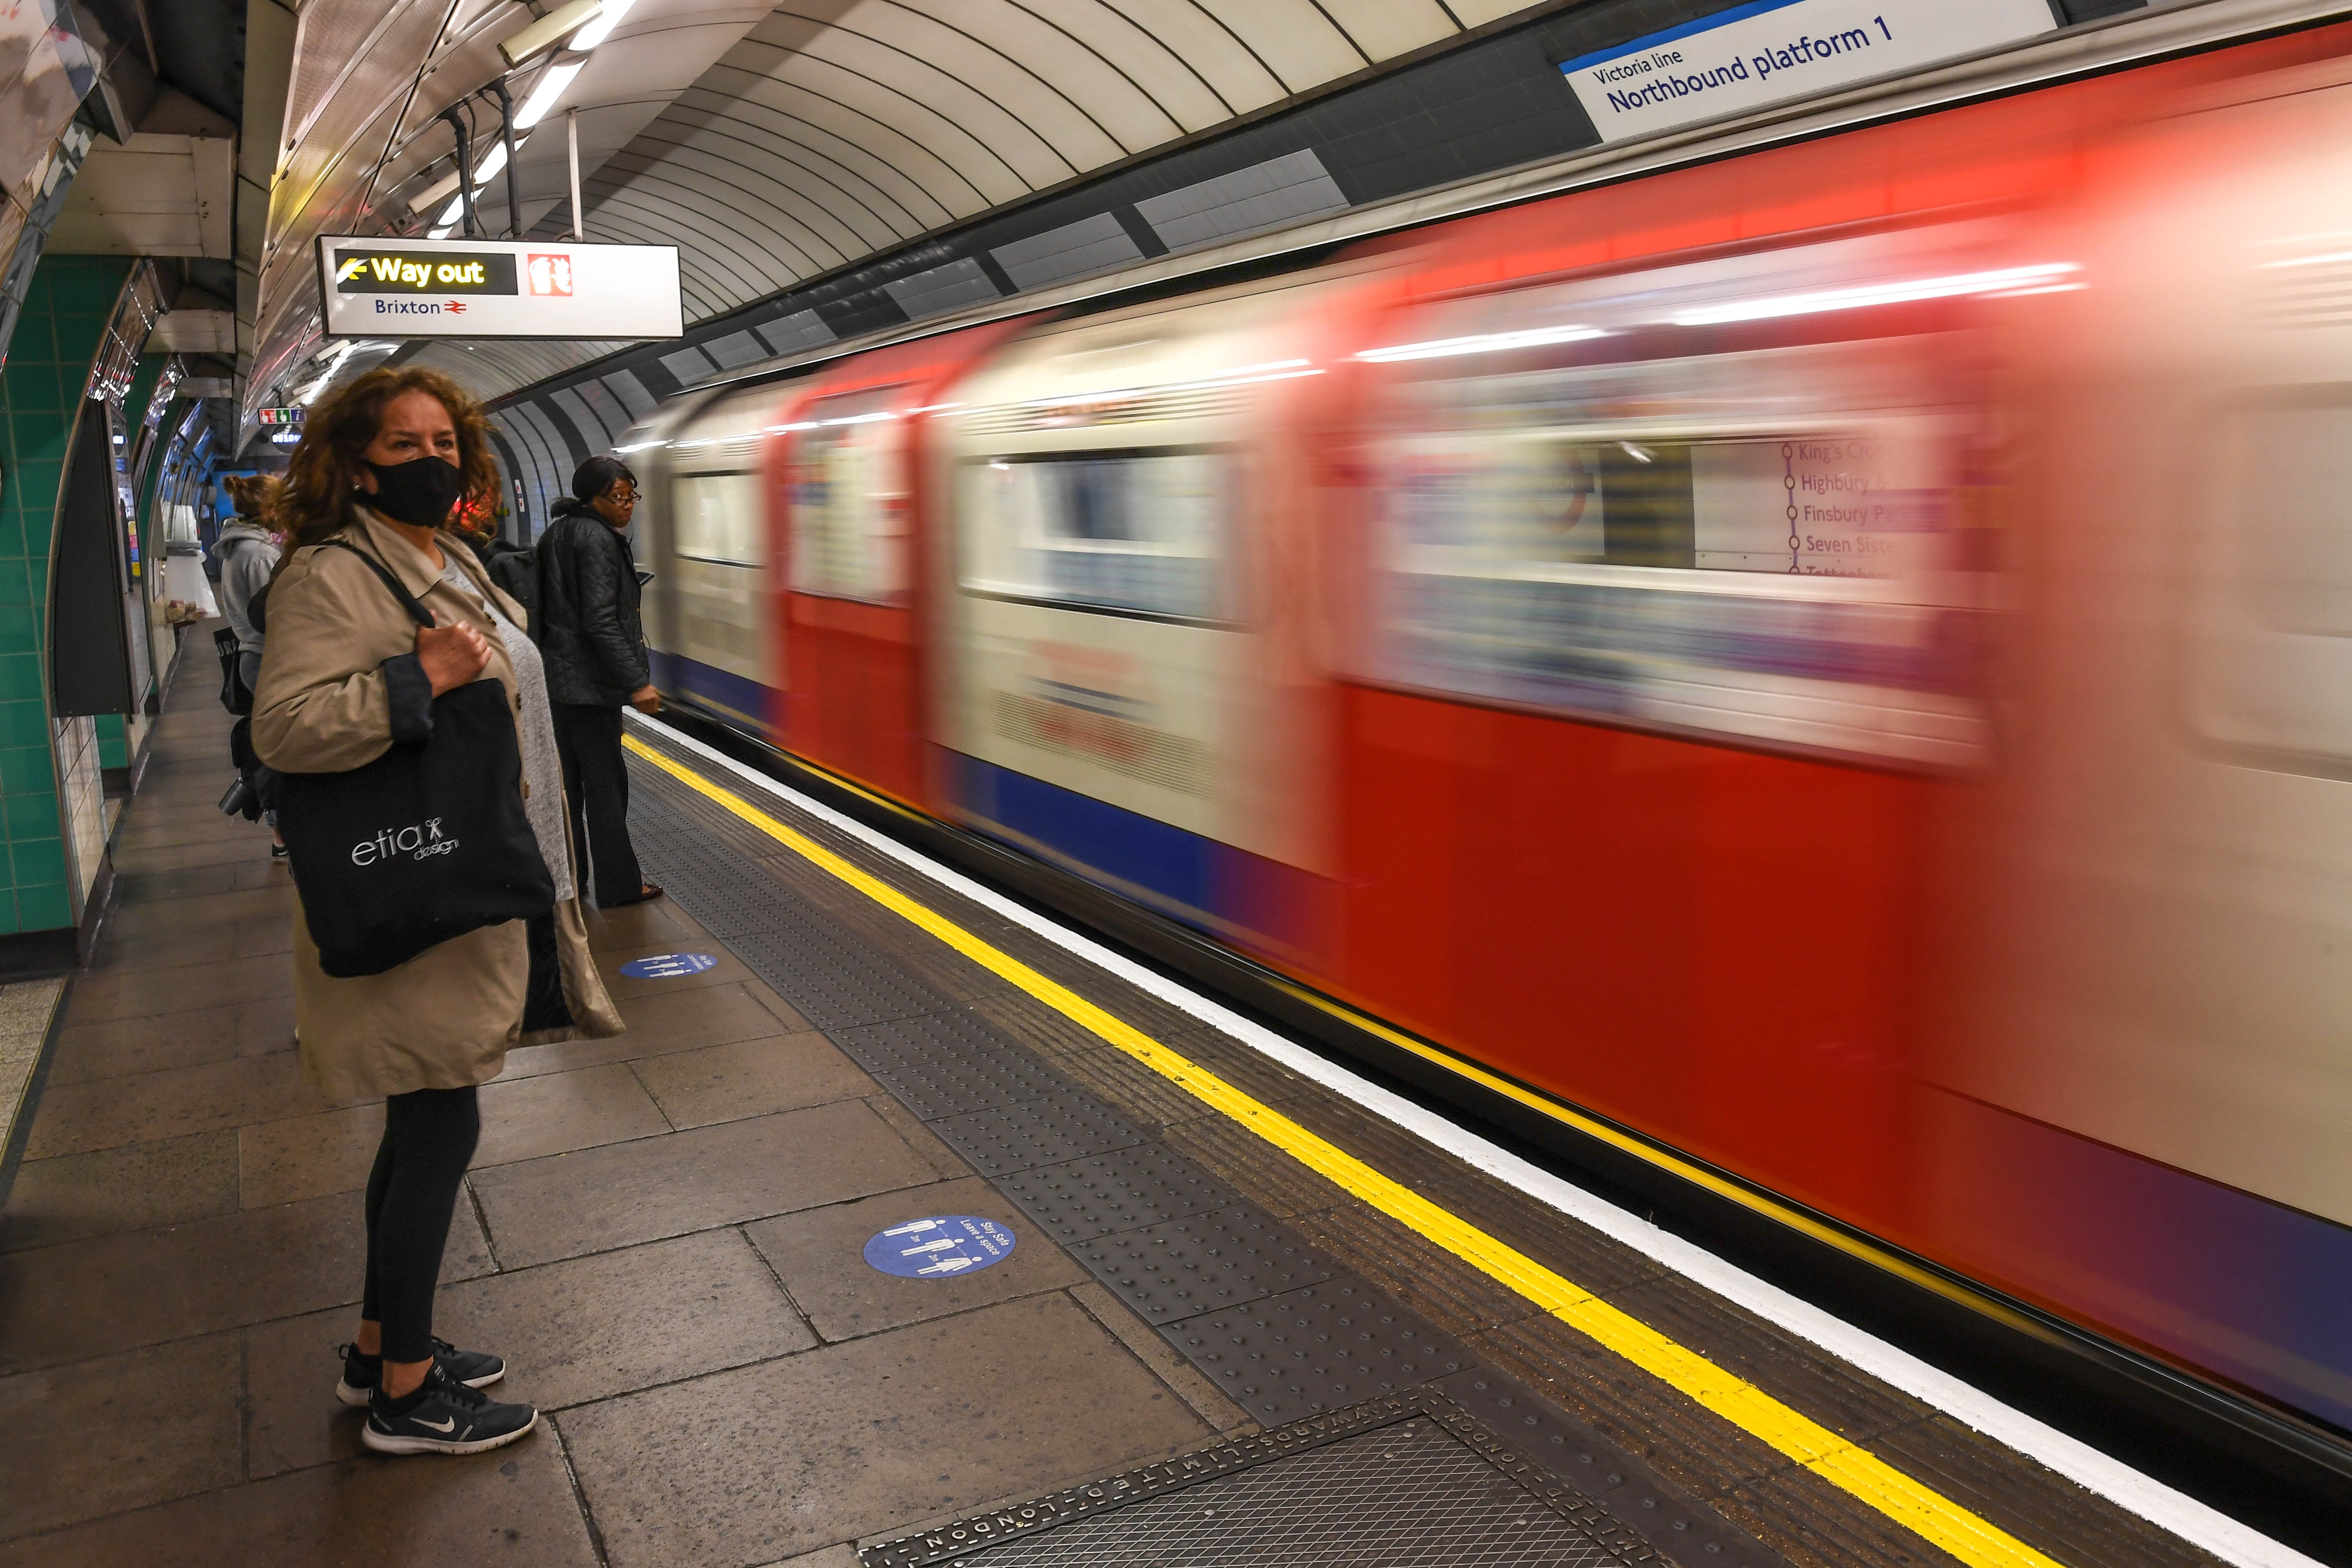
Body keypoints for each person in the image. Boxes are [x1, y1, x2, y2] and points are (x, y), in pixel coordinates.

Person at [251, 366, 623, 1457]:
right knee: (437, 1122)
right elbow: (287, 731)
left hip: (469, 876)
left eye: (443, 441)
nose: (432, 460)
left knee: (420, 1123)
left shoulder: (442, 553)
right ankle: (408, 1399)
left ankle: (383, 1347)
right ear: (354, 463)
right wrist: (413, 678)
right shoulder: (330, 572)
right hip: (417, 886)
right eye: (403, 445)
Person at [535, 455, 663, 907]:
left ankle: (572, 878)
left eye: (631, 496)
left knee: (569, 787)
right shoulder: (597, 539)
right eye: (618, 497)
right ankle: (620, 886)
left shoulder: (557, 532)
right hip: (589, 685)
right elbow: (601, 621)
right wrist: (637, 681)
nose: (627, 505)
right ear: (594, 497)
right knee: (607, 786)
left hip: (558, 681)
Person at [213, 475, 285, 858]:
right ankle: (281, 835)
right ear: (271, 509)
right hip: (267, 659)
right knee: (282, 753)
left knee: (274, 748)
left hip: (255, 658)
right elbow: (274, 612)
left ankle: (282, 836)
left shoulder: (240, 548)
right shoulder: (259, 557)